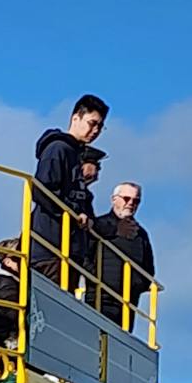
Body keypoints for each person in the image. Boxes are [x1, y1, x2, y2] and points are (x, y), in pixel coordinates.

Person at [31, 93, 108, 281]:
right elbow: (42, 190)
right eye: (92, 123)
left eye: (100, 126)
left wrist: (87, 217)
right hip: (51, 249)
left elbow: (80, 198)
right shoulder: (58, 148)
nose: (96, 130)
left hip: (70, 250)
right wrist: (73, 213)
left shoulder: (76, 154)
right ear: (76, 118)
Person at [90, 181, 156, 329]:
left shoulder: (141, 234)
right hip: (100, 297)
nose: (131, 203)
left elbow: (148, 270)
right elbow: (86, 255)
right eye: (126, 198)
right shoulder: (99, 225)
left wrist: (135, 286)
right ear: (114, 199)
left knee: (118, 344)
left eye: (136, 200)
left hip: (128, 302)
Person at [0, 237, 23, 346]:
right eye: (19, 257)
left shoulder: (12, 281)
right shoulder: (4, 284)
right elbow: (12, 316)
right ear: (8, 262)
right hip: (9, 344)